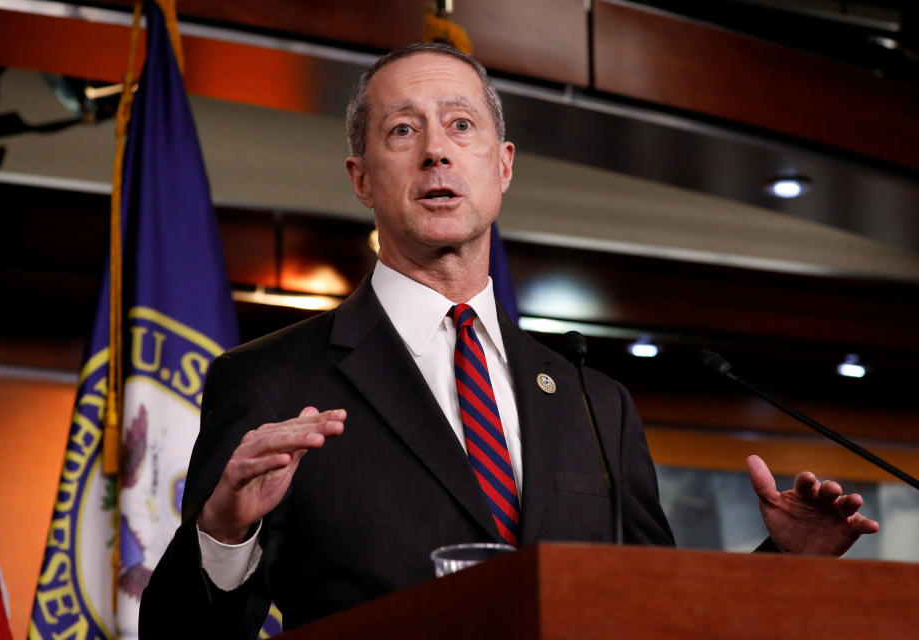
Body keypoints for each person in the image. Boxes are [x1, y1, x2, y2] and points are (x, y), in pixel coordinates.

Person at [139, 42, 878, 637]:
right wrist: (223, 532)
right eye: (403, 130)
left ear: (504, 165)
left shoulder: (596, 403)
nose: (436, 151)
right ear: (362, 179)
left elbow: (655, 618)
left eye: (461, 125)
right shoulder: (272, 383)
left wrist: (786, 561)